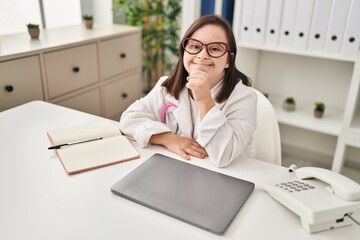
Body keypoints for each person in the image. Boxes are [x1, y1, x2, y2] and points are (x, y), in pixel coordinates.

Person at [119, 14, 257, 167]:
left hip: (228, 176)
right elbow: (128, 120)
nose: (202, 55)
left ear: (228, 60)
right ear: (184, 51)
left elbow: (223, 156)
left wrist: (205, 101)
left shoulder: (244, 98)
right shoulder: (167, 85)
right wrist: (168, 138)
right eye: (195, 46)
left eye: (215, 49)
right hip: (178, 168)